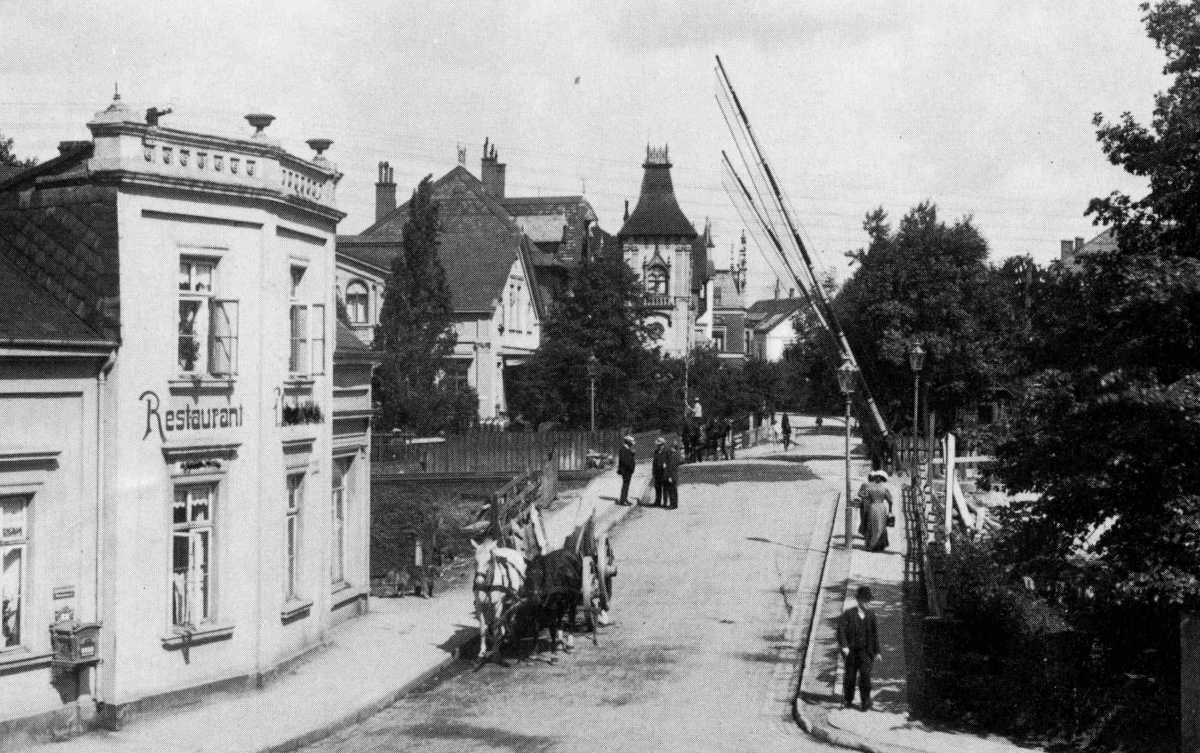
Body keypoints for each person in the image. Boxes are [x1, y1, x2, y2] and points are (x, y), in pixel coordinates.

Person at [837, 585, 881, 711]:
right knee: (850, 676)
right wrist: (844, 646)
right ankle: (848, 699)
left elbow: (874, 634)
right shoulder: (849, 614)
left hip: (866, 652)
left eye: (869, 601)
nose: (868, 604)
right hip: (851, 652)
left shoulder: (871, 615)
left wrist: (877, 652)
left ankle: (865, 701)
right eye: (866, 601)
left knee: (865, 676)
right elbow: (841, 630)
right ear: (859, 601)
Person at [857, 470, 894, 552]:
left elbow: (864, 496)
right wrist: (890, 510)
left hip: (872, 507)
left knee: (872, 525)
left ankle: (871, 545)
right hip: (881, 508)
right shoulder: (884, 489)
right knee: (881, 525)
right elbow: (890, 501)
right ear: (882, 480)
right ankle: (880, 545)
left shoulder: (869, 488)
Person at [616, 435, 636, 506]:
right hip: (626, 470)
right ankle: (623, 500)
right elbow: (625, 461)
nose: (632, 445)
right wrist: (630, 467)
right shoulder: (623, 449)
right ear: (628, 442)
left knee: (627, 485)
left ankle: (625, 499)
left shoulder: (627, 449)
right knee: (625, 485)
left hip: (628, 470)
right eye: (631, 443)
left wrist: (632, 454)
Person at [663, 441, 682, 509]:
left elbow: (672, 467)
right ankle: (674, 504)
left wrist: (670, 477)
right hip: (673, 475)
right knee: (673, 490)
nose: (670, 448)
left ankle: (673, 505)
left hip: (672, 476)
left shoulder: (674, 456)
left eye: (671, 447)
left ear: (674, 448)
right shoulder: (673, 455)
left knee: (672, 490)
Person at [651, 437, 668, 506]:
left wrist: (666, 465)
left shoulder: (667, 451)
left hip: (664, 472)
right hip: (657, 472)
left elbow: (669, 461)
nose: (658, 446)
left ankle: (665, 503)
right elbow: (654, 462)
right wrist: (653, 471)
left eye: (660, 444)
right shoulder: (656, 451)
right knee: (657, 487)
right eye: (658, 445)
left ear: (663, 444)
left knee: (665, 487)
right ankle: (657, 501)